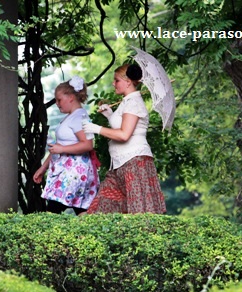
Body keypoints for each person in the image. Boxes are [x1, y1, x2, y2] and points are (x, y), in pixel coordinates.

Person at [82, 64, 166, 214]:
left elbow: (124, 135)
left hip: (135, 163)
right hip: (119, 164)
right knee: (101, 208)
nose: (113, 83)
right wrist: (110, 115)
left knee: (140, 213)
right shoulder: (127, 102)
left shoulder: (133, 102)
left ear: (128, 82)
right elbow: (121, 125)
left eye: (116, 80)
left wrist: (97, 129)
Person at [33, 76, 100, 215]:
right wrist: (43, 168)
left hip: (75, 172)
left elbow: (88, 145)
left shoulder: (79, 117)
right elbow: (59, 146)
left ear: (71, 97)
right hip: (69, 171)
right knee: (81, 209)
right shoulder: (71, 117)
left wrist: (62, 149)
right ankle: (88, 236)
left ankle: (47, 235)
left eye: (59, 100)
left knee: (53, 208)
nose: (57, 103)